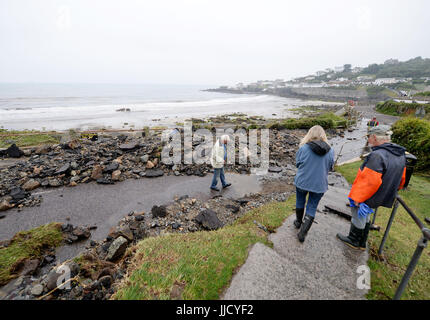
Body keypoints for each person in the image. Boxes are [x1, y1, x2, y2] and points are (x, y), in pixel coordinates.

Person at [337, 125, 407, 250]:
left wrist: (358, 198)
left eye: (369, 137)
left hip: (369, 195)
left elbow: (370, 181)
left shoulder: (377, 155)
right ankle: (362, 242)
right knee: (367, 215)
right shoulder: (400, 155)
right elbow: (402, 179)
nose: (368, 140)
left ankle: (354, 240)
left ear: (374, 137)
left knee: (358, 214)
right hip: (383, 195)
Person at [294, 125, 334, 242]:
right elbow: (331, 167)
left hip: (302, 181)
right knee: (312, 207)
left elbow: (298, 164)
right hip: (319, 184)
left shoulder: (303, 148)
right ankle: (303, 233)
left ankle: (298, 222)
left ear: (309, 134)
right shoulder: (330, 150)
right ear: (323, 135)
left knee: (300, 201)